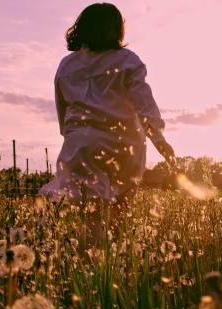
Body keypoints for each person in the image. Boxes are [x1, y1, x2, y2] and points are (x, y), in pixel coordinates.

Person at [39, 2, 175, 249]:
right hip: (123, 147)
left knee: (86, 213)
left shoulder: (66, 65)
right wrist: (160, 140)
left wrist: (73, 136)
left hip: (80, 144)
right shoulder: (127, 60)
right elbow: (144, 105)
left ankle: (88, 262)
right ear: (116, 29)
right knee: (118, 213)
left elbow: (63, 110)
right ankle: (113, 262)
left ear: (81, 28)